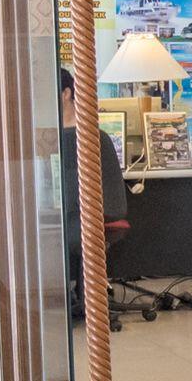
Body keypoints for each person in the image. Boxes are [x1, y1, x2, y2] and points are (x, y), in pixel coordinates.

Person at [58, 64, 130, 319]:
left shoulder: (81, 137)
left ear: (66, 93)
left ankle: (70, 299)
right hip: (83, 214)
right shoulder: (90, 133)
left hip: (82, 218)